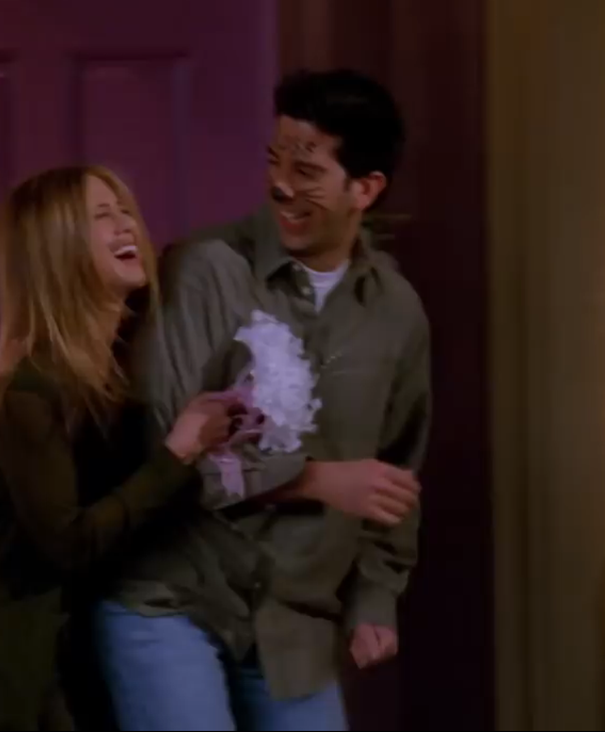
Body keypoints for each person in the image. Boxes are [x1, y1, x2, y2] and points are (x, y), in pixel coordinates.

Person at [93, 69, 431, 731]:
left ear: (364, 189)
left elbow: (395, 469)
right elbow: (165, 452)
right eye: (274, 160)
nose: (280, 184)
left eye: (306, 170)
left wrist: (375, 594)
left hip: (293, 620)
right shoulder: (205, 268)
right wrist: (312, 479)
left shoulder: (395, 312)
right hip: (174, 597)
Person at [0, 165, 240, 731]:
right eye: (101, 216)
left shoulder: (118, 368)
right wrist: (180, 451)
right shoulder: (30, 388)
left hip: (65, 652)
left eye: (125, 210)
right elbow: (70, 543)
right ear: (57, 250)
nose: (127, 225)